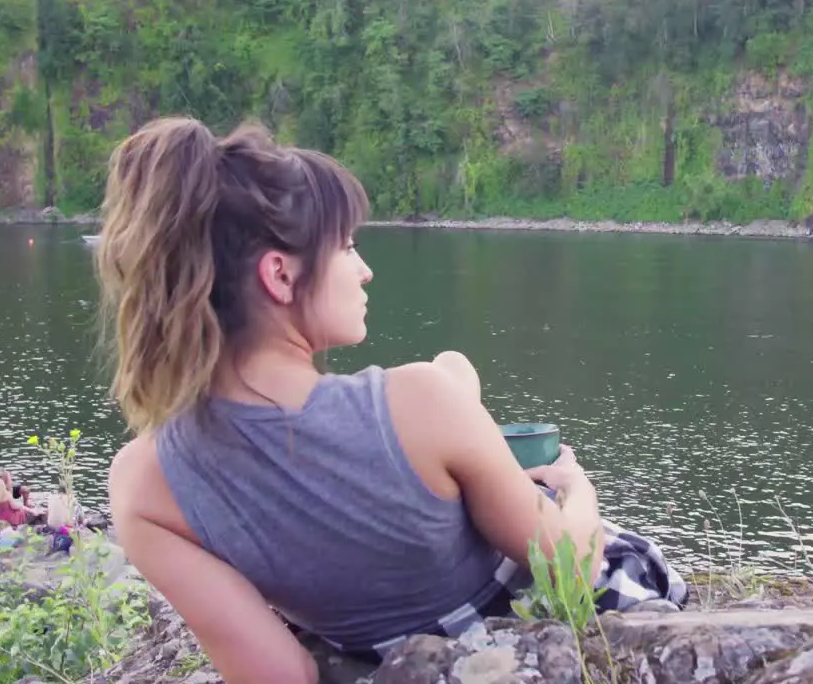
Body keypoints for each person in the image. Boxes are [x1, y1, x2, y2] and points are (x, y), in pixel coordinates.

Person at [96, 117, 684, 684]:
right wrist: (577, 490)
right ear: (279, 275)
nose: (366, 270)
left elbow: (279, 674)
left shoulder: (141, 485)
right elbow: (570, 570)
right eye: (348, 247)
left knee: (450, 375)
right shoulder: (416, 402)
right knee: (449, 381)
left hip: (381, 649)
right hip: (528, 623)